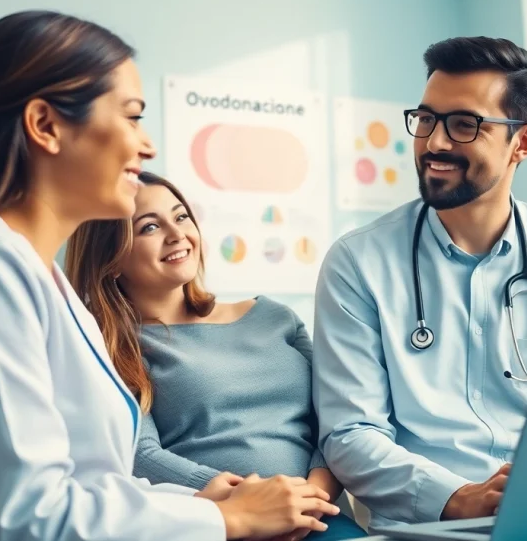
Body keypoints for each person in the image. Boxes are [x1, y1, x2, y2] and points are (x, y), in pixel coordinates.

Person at [0, 10, 338, 541]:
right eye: (132, 116)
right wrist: (227, 518)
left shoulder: (35, 278)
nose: (148, 146)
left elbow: (90, 485)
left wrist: (195, 500)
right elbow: (32, 517)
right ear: (45, 125)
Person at [312, 36, 527, 528]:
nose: (435, 143)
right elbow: (350, 433)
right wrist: (458, 498)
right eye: (426, 119)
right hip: (432, 529)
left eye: (464, 125)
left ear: (524, 142)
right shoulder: (357, 263)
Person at [64, 171, 367, 541]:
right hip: (217, 520)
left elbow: (337, 418)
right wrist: (248, 504)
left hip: (320, 516)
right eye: (148, 227)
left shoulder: (275, 317)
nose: (176, 235)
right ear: (110, 258)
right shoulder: (114, 347)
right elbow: (138, 454)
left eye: (180, 216)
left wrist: (309, 497)